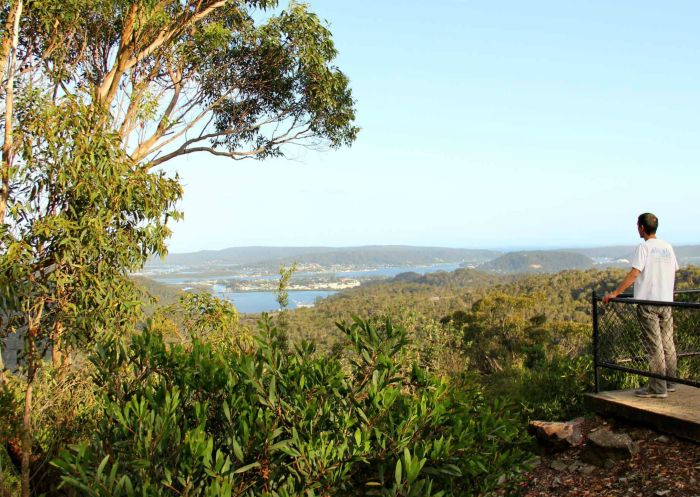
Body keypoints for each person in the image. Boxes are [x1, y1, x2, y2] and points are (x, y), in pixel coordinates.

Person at [602, 213, 679, 399]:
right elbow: (673, 270)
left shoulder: (644, 247)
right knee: (668, 343)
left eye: (637, 226)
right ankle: (670, 382)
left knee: (654, 346)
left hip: (648, 302)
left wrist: (615, 293)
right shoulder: (667, 247)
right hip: (666, 301)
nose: (637, 228)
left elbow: (635, 273)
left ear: (642, 228)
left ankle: (657, 388)